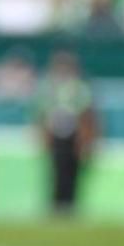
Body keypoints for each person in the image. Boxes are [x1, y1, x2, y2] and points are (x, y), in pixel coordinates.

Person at [33, 50, 99, 217]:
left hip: (74, 136)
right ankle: (57, 206)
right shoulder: (49, 88)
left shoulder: (80, 88)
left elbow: (87, 115)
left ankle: (69, 206)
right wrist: (43, 135)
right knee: (57, 171)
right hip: (56, 135)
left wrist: (87, 139)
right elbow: (42, 114)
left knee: (72, 172)